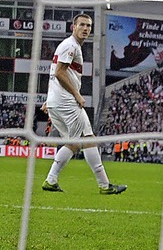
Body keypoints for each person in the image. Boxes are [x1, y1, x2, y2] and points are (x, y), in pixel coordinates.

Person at [41, 13, 127, 195]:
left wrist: (49, 99)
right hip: (66, 102)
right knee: (87, 138)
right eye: (82, 25)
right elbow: (59, 73)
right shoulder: (71, 46)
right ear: (73, 26)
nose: (86, 29)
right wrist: (77, 94)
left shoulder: (68, 46)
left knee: (74, 143)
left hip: (58, 101)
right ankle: (104, 185)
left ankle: (51, 180)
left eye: (89, 26)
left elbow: (54, 73)